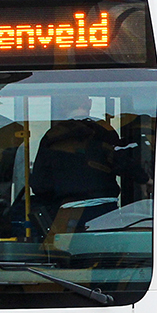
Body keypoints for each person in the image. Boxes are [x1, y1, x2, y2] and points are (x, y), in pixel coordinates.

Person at [30, 94, 122, 230]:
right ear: (89, 104)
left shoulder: (53, 136)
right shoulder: (106, 131)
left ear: (63, 107)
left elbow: (40, 184)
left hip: (68, 213)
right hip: (106, 210)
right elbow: (122, 163)